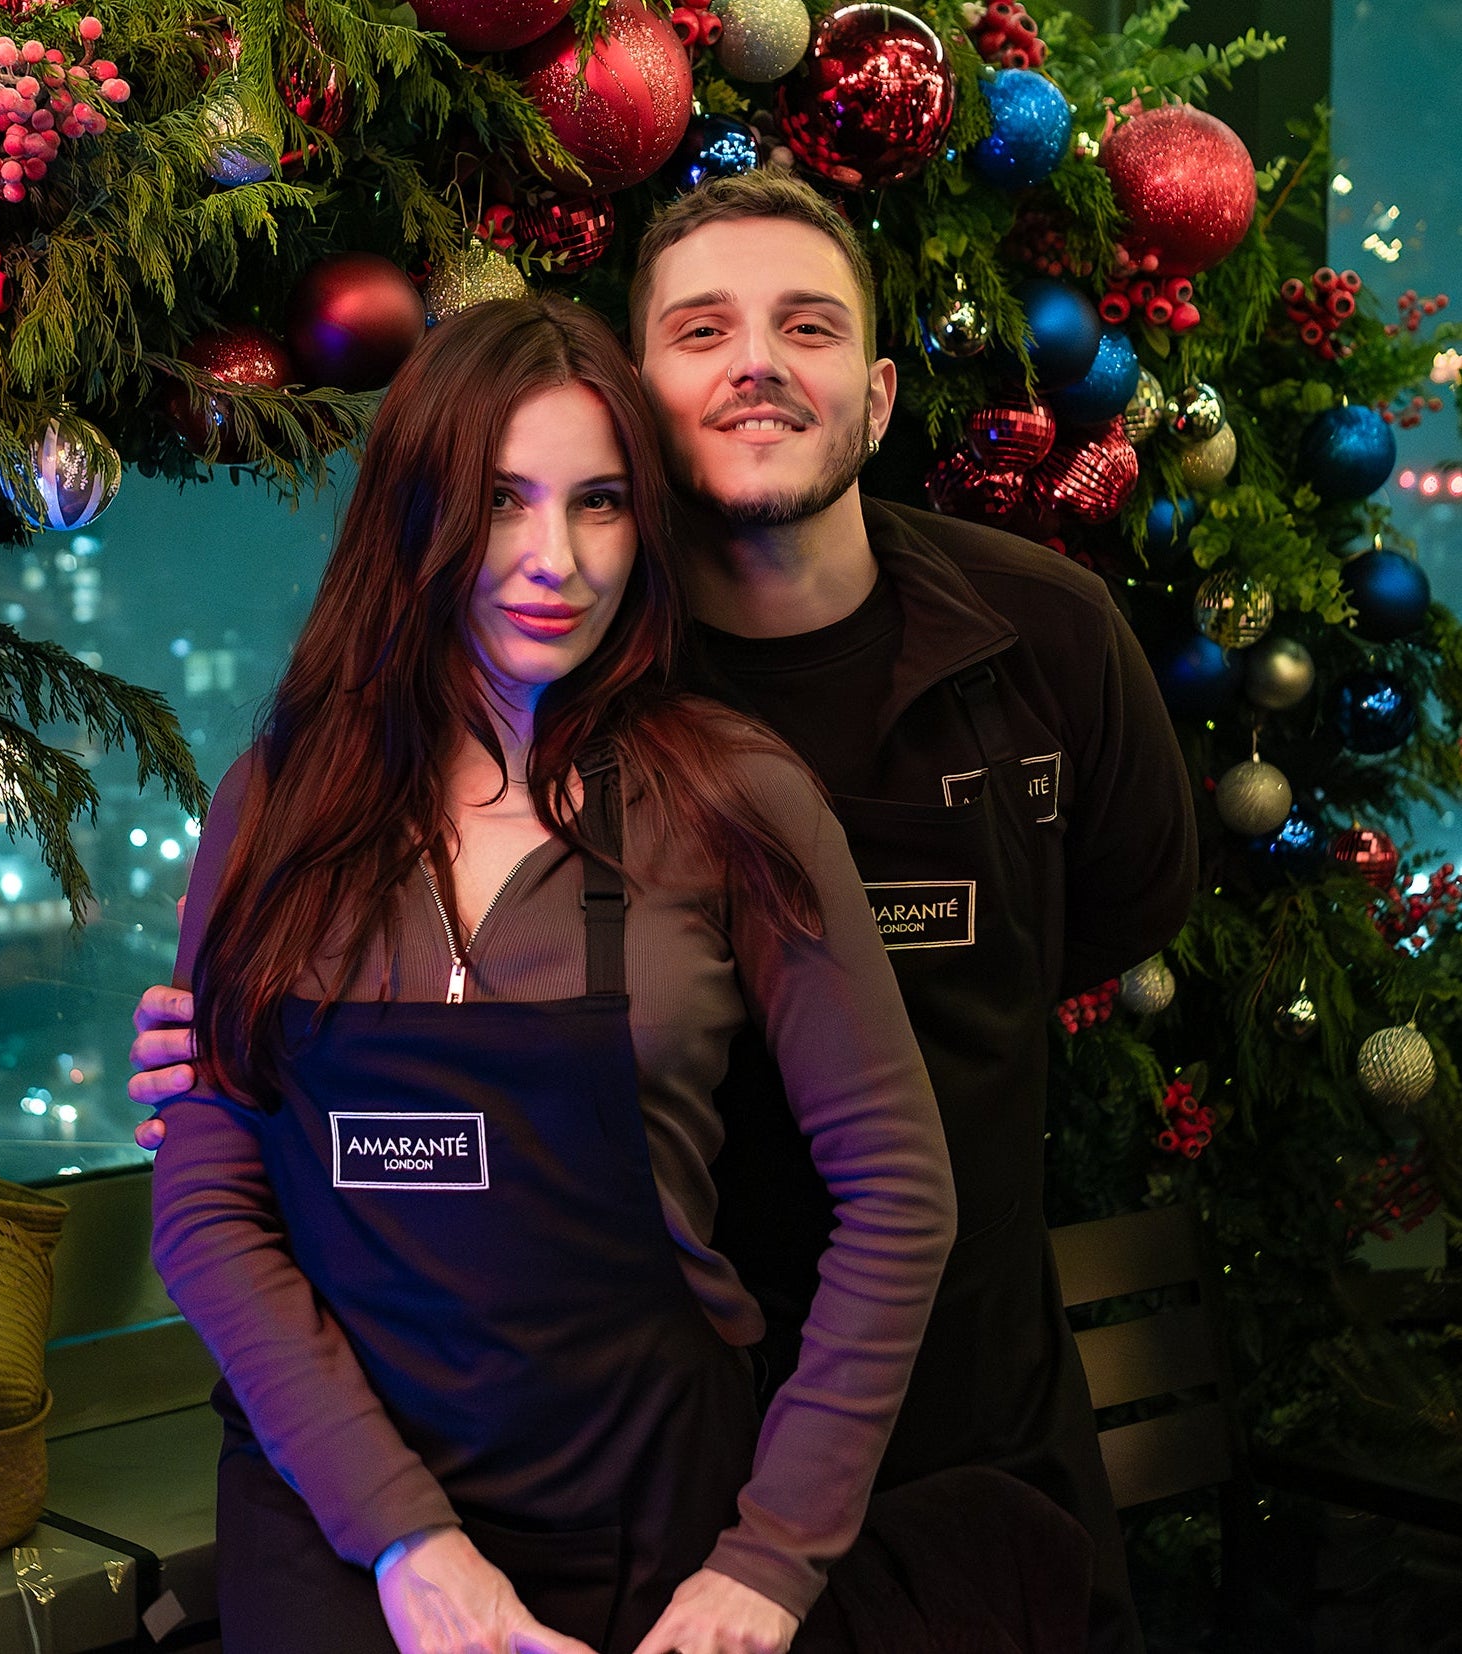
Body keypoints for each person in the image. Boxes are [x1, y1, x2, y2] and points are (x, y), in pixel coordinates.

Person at [136, 171, 1197, 1652]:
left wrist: (766, 1560)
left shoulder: (770, 767)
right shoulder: (282, 792)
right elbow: (207, 1200)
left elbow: (945, 1130)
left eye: (595, 503)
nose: (549, 559)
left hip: (723, 1473)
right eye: (501, 498)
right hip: (351, 1523)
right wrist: (403, 1538)